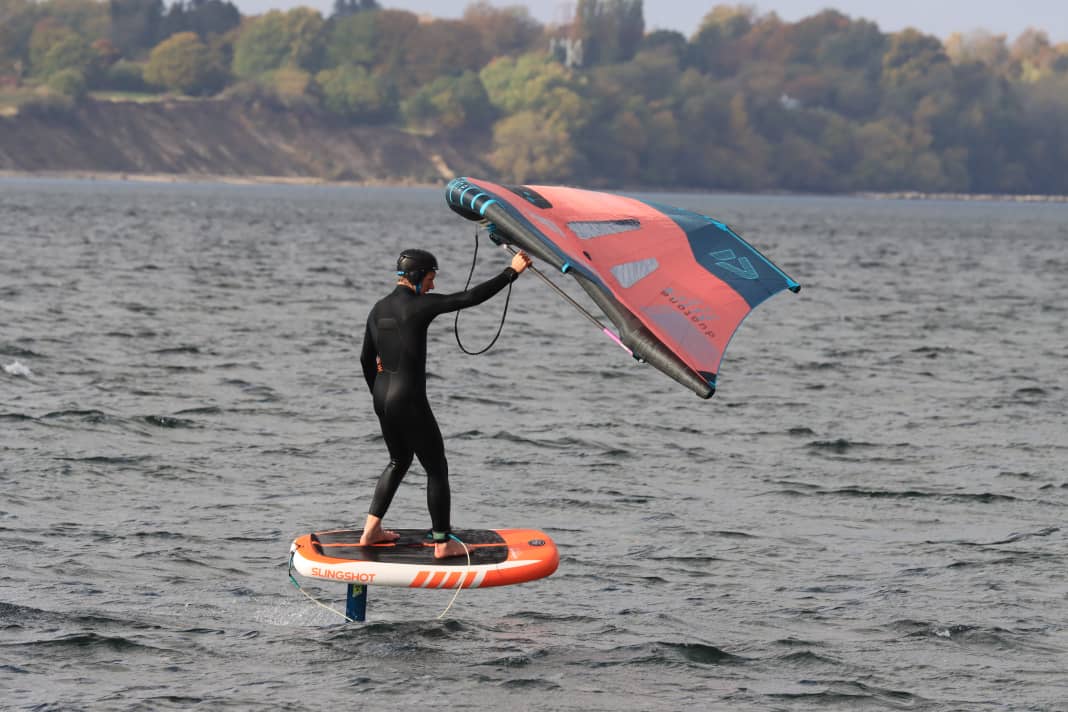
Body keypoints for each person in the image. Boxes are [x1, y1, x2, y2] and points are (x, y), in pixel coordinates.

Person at [358, 247, 532, 558]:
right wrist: (511, 272)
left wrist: (380, 395)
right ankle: (442, 542)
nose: (432, 286)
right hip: (408, 398)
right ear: (414, 277)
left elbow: (365, 359)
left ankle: (371, 531)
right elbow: (468, 298)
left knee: (399, 461)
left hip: (382, 397)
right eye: (429, 279)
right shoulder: (419, 306)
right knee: (436, 468)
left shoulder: (377, 308)